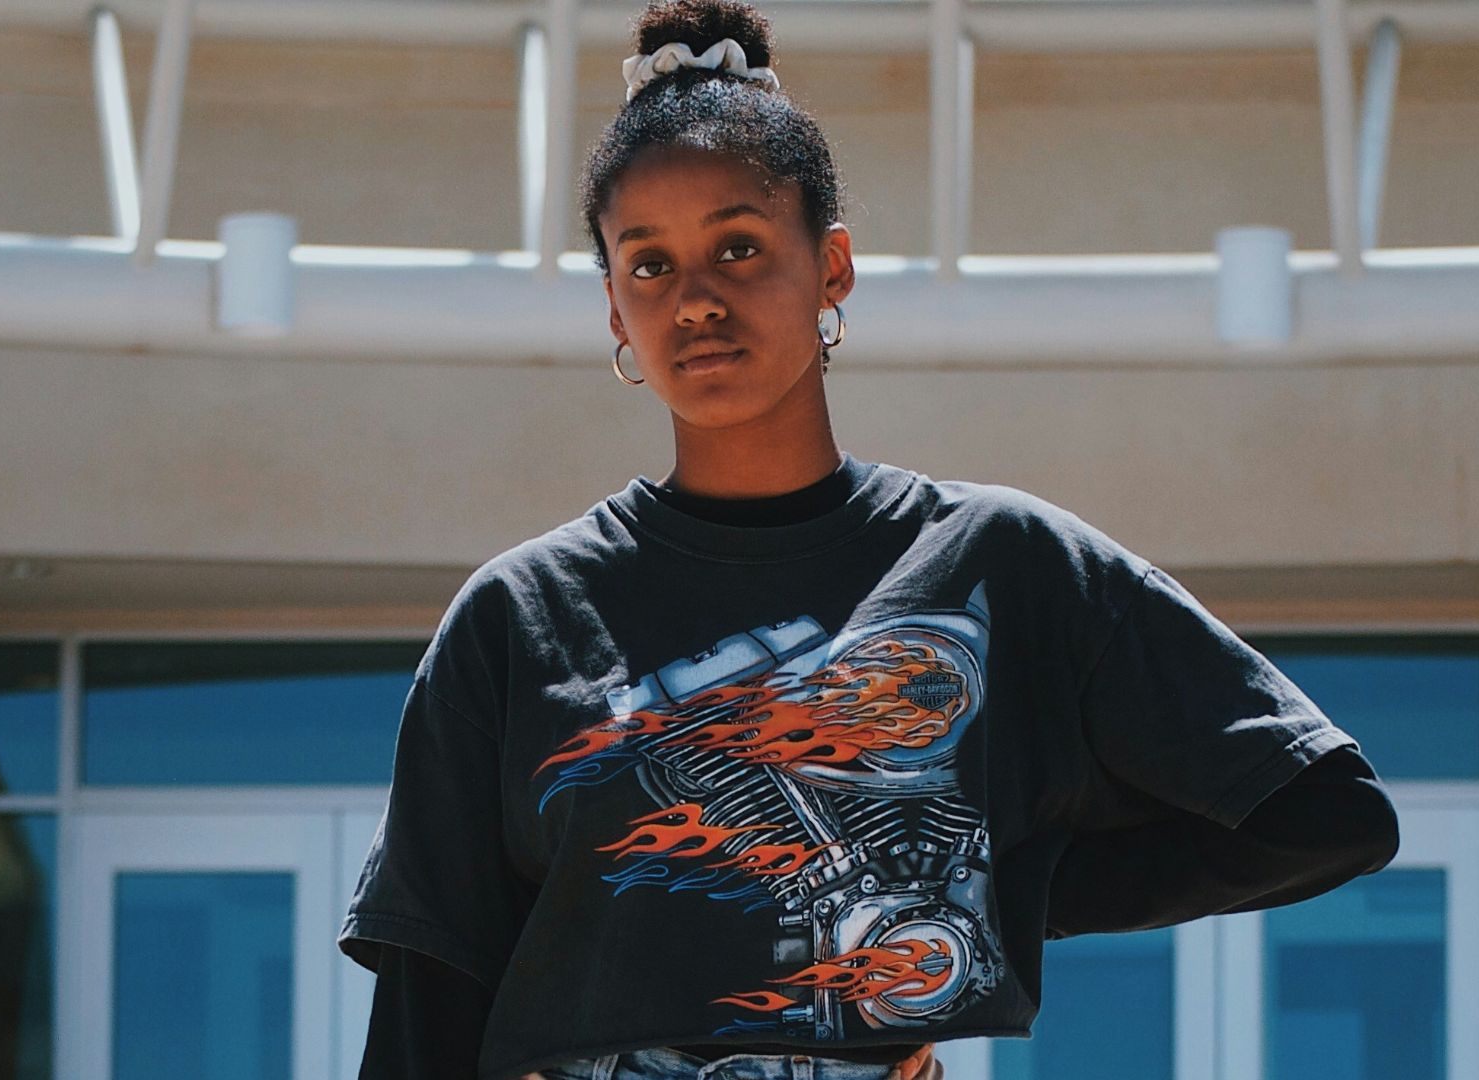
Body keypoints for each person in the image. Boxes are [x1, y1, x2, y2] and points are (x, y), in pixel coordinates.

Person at [338, 2, 1403, 1079]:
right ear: (615, 309)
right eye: (649, 265)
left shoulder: (999, 562)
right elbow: (430, 994)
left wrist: (999, 891)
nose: (695, 300)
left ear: (832, 268)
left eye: (739, 247)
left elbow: (1325, 815)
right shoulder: (520, 617)